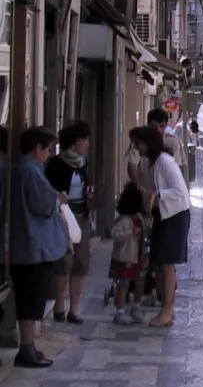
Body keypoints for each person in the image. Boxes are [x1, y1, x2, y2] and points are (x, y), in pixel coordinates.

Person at [9, 127, 68, 368]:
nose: (48, 154)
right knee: (30, 300)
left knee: (31, 299)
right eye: (47, 149)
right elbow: (45, 205)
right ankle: (26, 348)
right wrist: (59, 200)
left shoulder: (23, 170)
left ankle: (29, 346)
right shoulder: (29, 171)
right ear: (38, 149)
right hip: (33, 246)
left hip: (29, 244)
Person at [133, 126, 191, 327]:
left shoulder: (165, 162)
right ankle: (166, 309)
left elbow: (179, 190)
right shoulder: (152, 163)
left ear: (147, 143)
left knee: (167, 264)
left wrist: (158, 195)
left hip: (174, 216)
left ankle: (166, 311)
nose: (135, 147)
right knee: (158, 261)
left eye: (137, 143)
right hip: (163, 215)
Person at [44, 120, 94, 325]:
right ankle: (58, 306)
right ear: (73, 143)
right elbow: (47, 190)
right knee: (64, 262)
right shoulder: (56, 163)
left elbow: (84, 184)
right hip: (62, 218)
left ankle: (74, 309)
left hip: (81, 216)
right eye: (84, 141)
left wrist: (89, 191)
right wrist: (59, 197)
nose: (87, 144)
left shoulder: (82, 163)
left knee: (81, 263)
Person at [110, 183, 146, 325]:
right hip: (124, 257)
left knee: (139, 282)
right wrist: (130, 233)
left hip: (136, 256)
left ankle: (135, 306)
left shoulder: (139, 218)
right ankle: (120, 311)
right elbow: (116, 235)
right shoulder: (123, 220)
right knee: (123, 283)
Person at [125, 109, 187, 185]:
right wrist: (138, 187)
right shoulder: (139, 142)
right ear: (148, 125)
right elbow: (132, 164)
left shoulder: (173, 142)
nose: (158, 130)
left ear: (166, 125)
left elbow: (178, 167)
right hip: (145, 190)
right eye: (154, 126)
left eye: (161, 126)